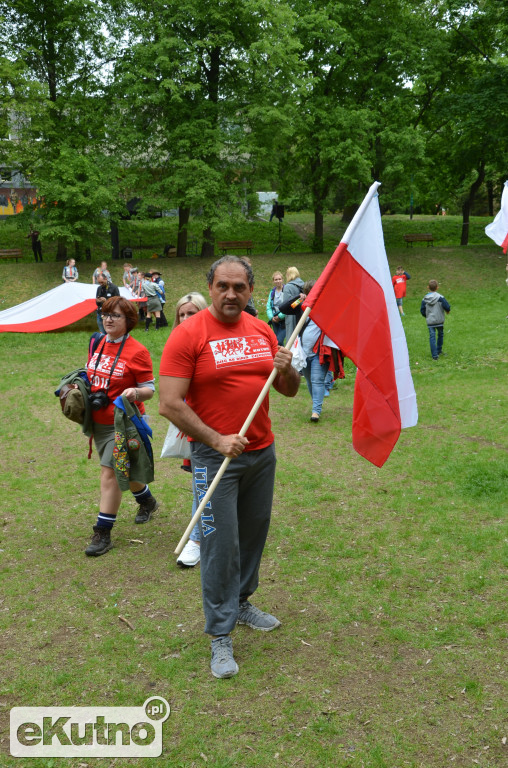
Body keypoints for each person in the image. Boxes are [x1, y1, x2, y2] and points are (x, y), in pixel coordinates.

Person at [159, 255, 300, 679]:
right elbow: (168, 403)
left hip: (261, 452)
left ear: (251, 291)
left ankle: (240, 603)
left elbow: (289, 391)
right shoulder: (189, 334)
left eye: (239, 287)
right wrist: (217, 440)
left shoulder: (260, 330)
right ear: (211, 286)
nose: (230, 294)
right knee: (220, 545)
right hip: (213, 457)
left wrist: (287, 368)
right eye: (222, 286)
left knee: (254, 531)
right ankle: (220, 634)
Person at [85, 296, 159, 556]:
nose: (108, 319)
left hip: (124, 423)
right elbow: (91, 377)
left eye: (115, 315)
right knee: (127, 471)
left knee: (111, 474)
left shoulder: (137, 351)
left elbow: (149, 390)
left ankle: (102, 533)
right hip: (99, 423)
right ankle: (147, 501)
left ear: (128, 320)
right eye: (105, 314)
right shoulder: (97, 342)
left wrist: (134, 393)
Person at [167, 292, 209, 568]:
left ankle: (199, 538)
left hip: (218, 422)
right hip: (193, 424)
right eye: (182, 314)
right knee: (200, 483)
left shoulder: (210, 341)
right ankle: (197, 539)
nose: (185, 319)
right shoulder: (177, 344)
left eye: (191, 313)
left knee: (208, 484)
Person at [280, 280, 344, 422]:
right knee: (309, 381)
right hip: (304, 352)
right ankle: (317, 403)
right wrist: (298, 298)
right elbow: (284, 308)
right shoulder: (300, 305)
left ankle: (316, 411)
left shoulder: (326, 307)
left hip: (319, 352)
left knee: (317, 380)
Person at [420, 279, 451, 360]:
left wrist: (427, 316)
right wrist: (448, 311)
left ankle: (434, 356)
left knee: (432, 337)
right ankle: (439, 350)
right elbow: (447, 306)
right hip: (439, 320)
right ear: (437, 287)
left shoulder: (424, 299)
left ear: (428, 287)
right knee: (440, 334)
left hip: (430, 321)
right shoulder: (440, 297)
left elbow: (422, 310)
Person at [281, 267, 304, 343]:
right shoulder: (304, 285)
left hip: (292, 317)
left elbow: (287, 306)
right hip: (302, 315)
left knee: (291, 341)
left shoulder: (288, 287)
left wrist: (298, 300)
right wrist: (301, 299)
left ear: (288, 275)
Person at [266, 271, 286, 345]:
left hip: (284, 320)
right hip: (275, 320)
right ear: (273, 281)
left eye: (279, 279)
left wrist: (280, 316)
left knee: (279, 341)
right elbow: (268, 307)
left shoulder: (286, 290)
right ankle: (281, 355)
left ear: (282, 279)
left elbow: (289, 306)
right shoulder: (272, 292)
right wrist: (271, 317)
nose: (278, 281)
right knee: (278, 342)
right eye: (276, 279)